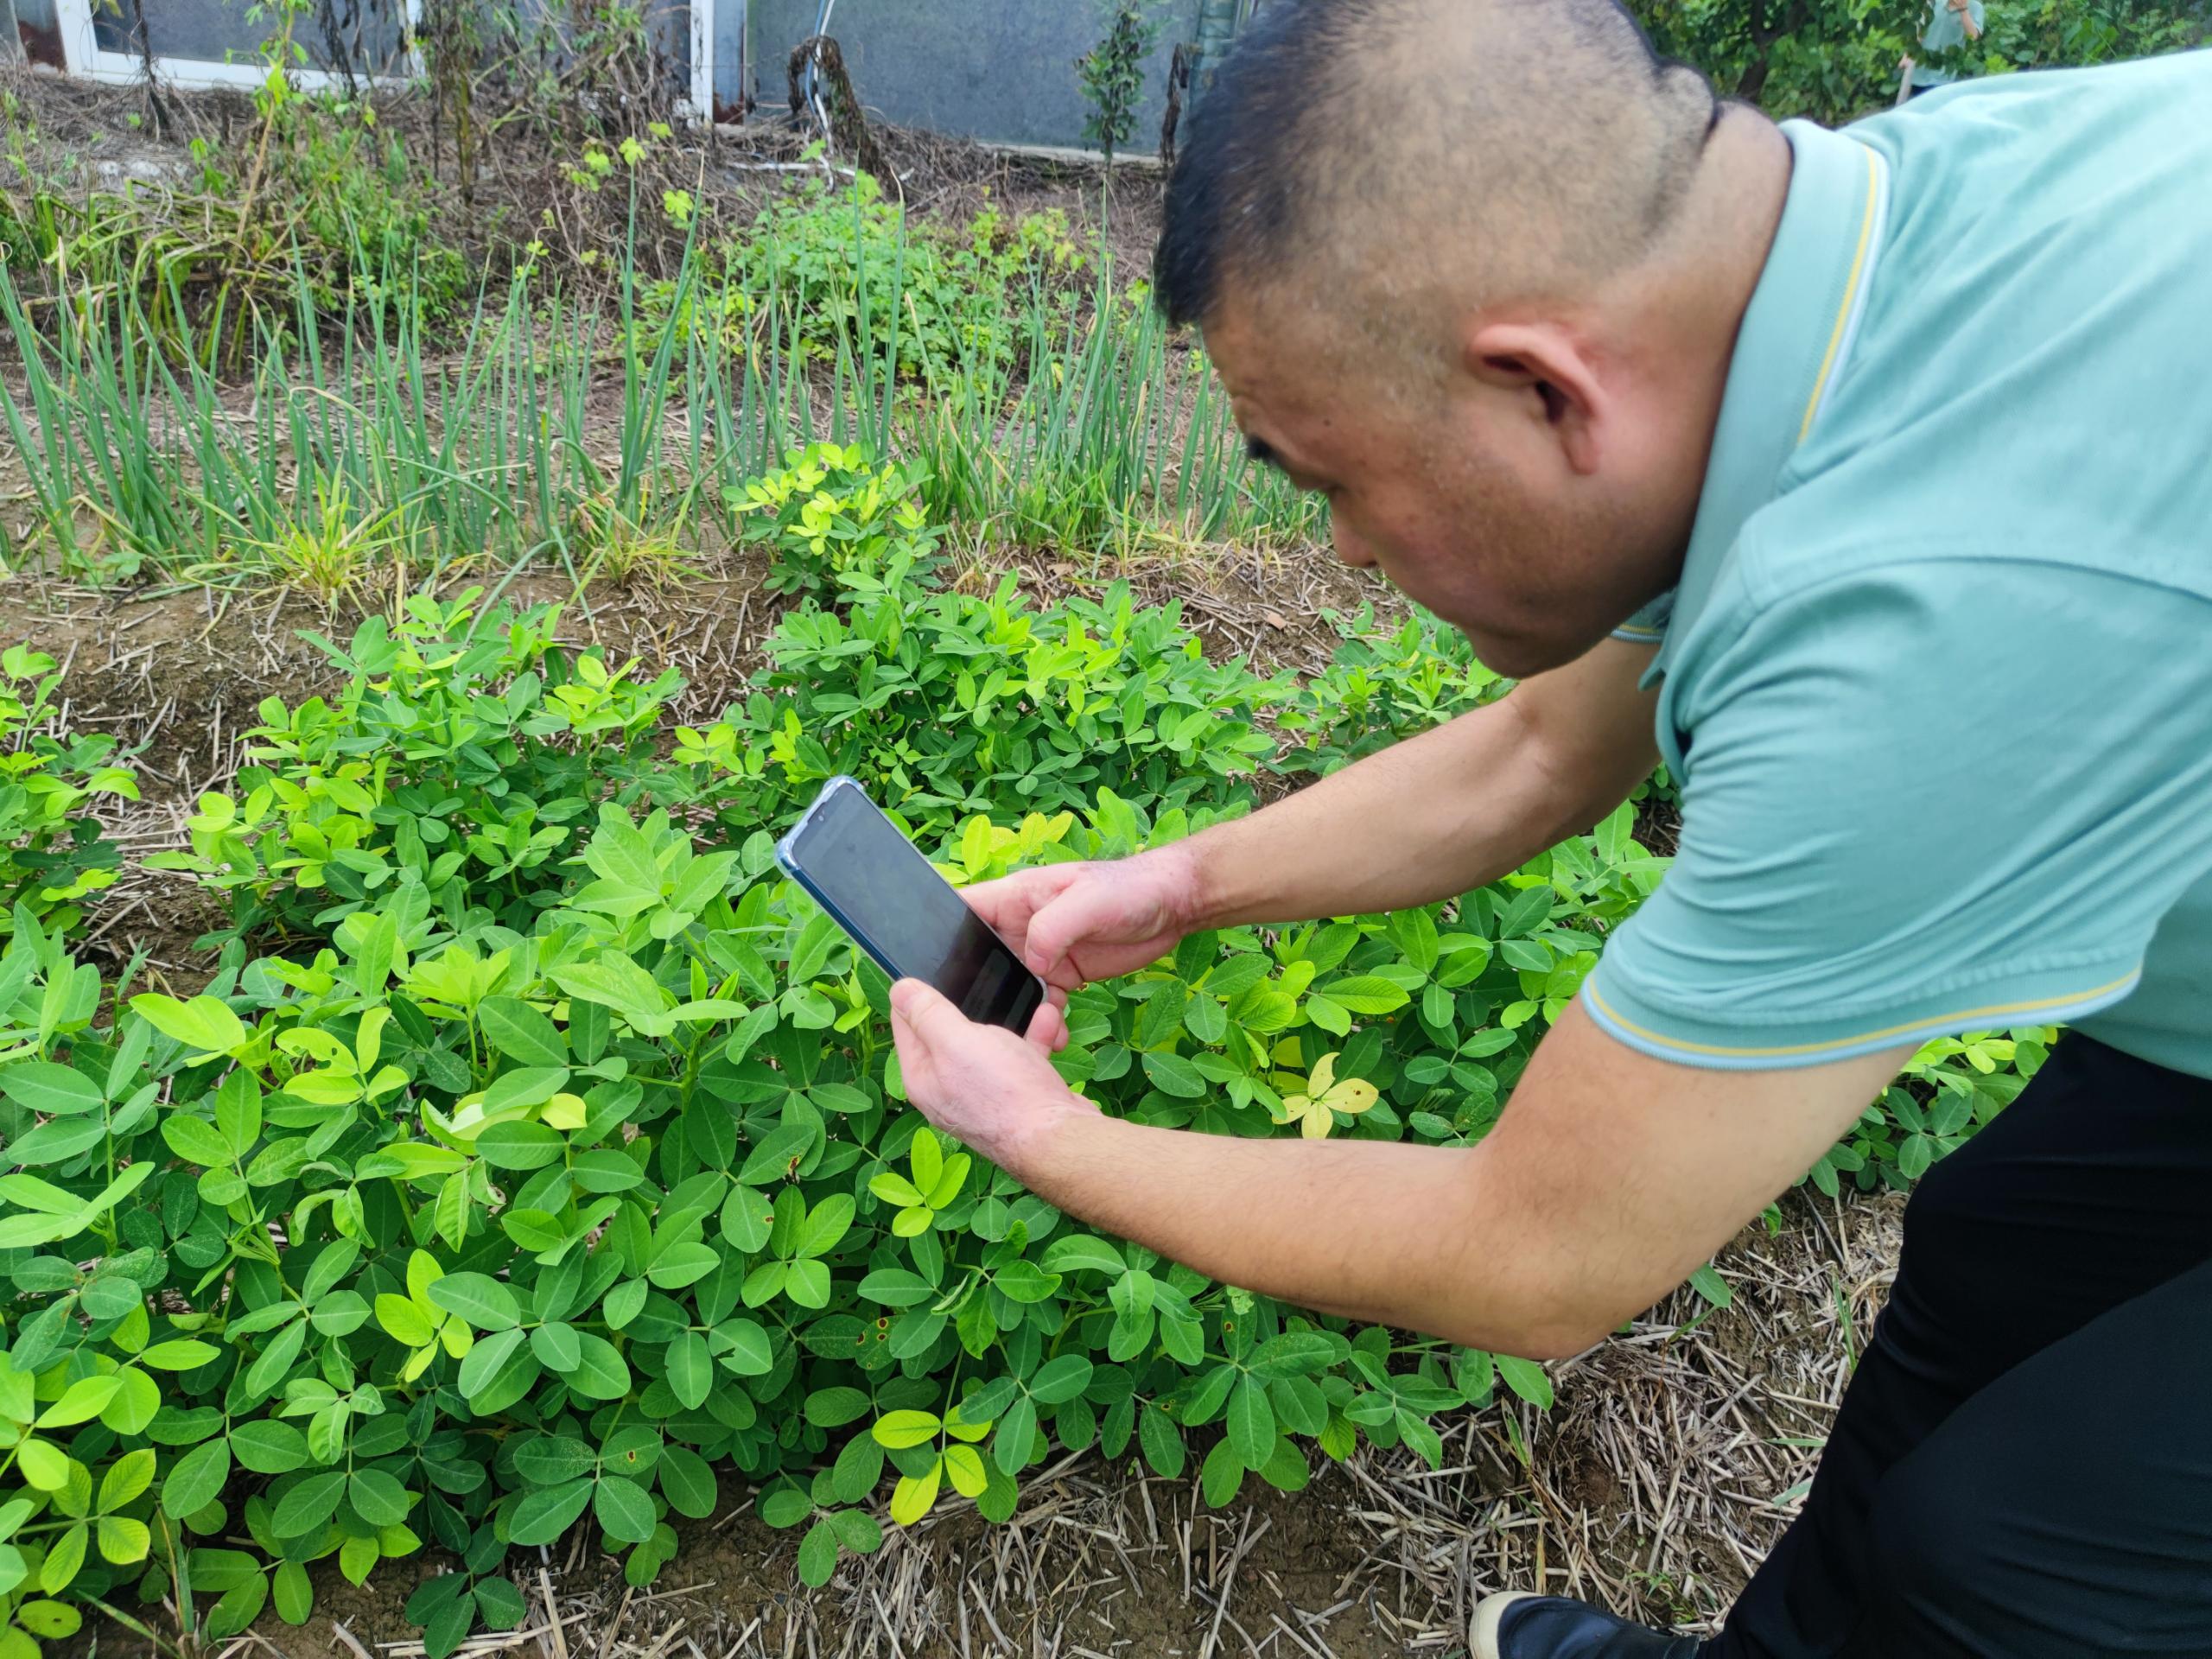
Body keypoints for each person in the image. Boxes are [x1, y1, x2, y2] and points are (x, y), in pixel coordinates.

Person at [884, 3, 2212, 1654]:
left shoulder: (1938, 624)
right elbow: (1541, 749)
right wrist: (1186, 882)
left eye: (1328, 480)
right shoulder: (1866, 252)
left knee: (2018, 1557)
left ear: (1542, 389)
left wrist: (1044, 1134)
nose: (1348, 556)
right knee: (1989, 1261)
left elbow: (1538, 1258)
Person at [1902, 0, 1986, 98]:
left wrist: (1963, 9)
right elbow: (1919, 32)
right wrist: (1907, 55)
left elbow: (1973, 36)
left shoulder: (1976, 7)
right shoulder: (1934, 2)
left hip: (1943, 76)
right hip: (1918, 72)